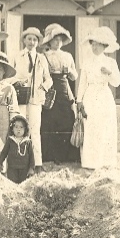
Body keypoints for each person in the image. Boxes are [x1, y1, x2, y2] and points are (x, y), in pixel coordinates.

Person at [76, 26, 120, 170]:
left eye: (98, 44)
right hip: (90, 96)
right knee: (91, 128)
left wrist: (109, 73)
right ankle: (90, 162)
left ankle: (105, 161)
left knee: (104, 128)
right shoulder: (87, 62)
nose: (94, 47)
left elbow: (117, 82)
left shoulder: (110, 63)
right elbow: (82, 82)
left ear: (104, 46)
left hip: (104, 96)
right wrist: (79, 100)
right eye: (93, 44)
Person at [12, 27, 52, 173]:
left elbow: (49, 79)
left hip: (35, 99)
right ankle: (20, 162)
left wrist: (43, 87)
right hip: (21, 98)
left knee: (35, 130)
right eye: (29, 38)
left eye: (35, 39)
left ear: (38, 42)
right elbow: (10, 76)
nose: (31, 42)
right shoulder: (17, 56)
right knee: (20, 129)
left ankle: (37, 164)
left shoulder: (41, 58)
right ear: (24, 40)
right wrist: (18, 81)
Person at [40, 24, 79, 164]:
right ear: (49, 41)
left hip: (65, 88)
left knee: (68, 119)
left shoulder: (68, 56)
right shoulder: (44, 56)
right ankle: (50, 156)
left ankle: (65, 156)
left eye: (60, 39)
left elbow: (75, 76)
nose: (58, 42)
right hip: (51, 88)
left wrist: (69, 71)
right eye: (55, 39)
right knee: (50, 121)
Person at [0, 114, 35, 184]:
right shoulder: (10, 140)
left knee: (24, 184)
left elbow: (31, 156)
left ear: (25, 129)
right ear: (12, 129)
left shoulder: (27, 141)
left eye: (21, 127)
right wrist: (0, 162)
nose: (18, 129)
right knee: (12, 184)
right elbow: (4, 152)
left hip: (24, 168)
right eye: (16, 127)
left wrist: (31, 168)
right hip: (12, 168)